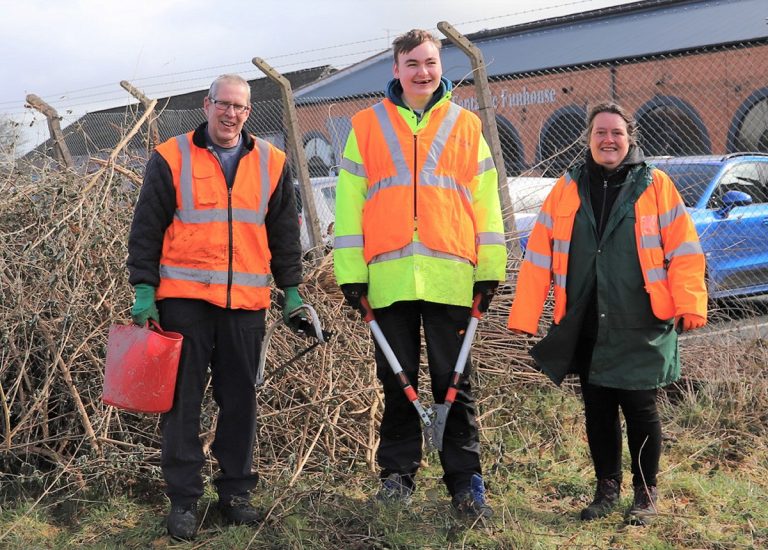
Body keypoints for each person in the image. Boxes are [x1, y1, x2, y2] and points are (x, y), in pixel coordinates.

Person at [333, 29, 507, 518]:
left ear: (440, 66)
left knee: (455, 382)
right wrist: (350, 272)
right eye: (412, 64)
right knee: (396, 381)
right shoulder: (366, 126)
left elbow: (485, 203)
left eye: (430, 63)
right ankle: (397, 477)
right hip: (387, 280)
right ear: (396, 69)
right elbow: (349, 205)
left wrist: (489, 269)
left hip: (452, 277)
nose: (422, 72)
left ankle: (465, 482)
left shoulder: (466, 125)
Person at [507, 102, 707, 525]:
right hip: (586, 319)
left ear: (629, 137)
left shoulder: (656, 184)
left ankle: (645, 494)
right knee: (596, 408)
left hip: (641, 318)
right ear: (588, 138)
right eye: (600, 132)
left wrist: (690, 303)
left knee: (640, 408)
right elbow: (538, 253)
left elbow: (685, 251)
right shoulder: (566, 187)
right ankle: (605, 491)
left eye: (616, 132)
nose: (608, 139)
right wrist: (525, 314)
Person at [127, 74, 307, 540]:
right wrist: (143, 290)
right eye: (223, 104)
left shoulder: (272, 161)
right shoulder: (171, 157)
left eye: (240, 108)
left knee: (240, 401)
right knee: (182, 404)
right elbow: (146, 228)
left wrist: (292, 292)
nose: (231, 114)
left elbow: (284, 234)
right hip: (184, 304)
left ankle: (235, 494)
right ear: (206, 105)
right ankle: (184, 500)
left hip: (245, 304)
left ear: (249, 112)